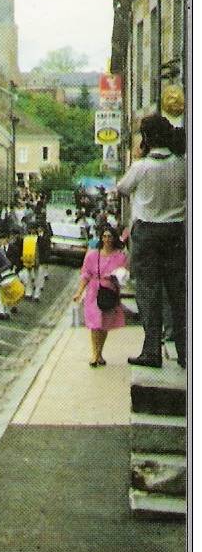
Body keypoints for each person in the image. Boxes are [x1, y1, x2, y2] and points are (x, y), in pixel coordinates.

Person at [117, 114, 186, 368]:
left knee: (149, 292)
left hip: (147, 233)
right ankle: (185, 350)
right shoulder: (182, 163)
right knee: (178, 293)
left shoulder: (141, 167)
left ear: (146, 138)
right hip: (177, 232)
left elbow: (122, 188)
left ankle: (151, 350)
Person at [72, 228, 129, 366]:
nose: (107, 239)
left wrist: (119, 278)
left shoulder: (120, 257)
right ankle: (95, 355)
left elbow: (124, 275)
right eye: (104, 236)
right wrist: (79, 292)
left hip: (110, 292)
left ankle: (100, 353)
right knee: (94, 324)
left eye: (110, 236)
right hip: (93, 291)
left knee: (104, 324)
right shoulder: (92, 256)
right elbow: (85, 275)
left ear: (114, 238)